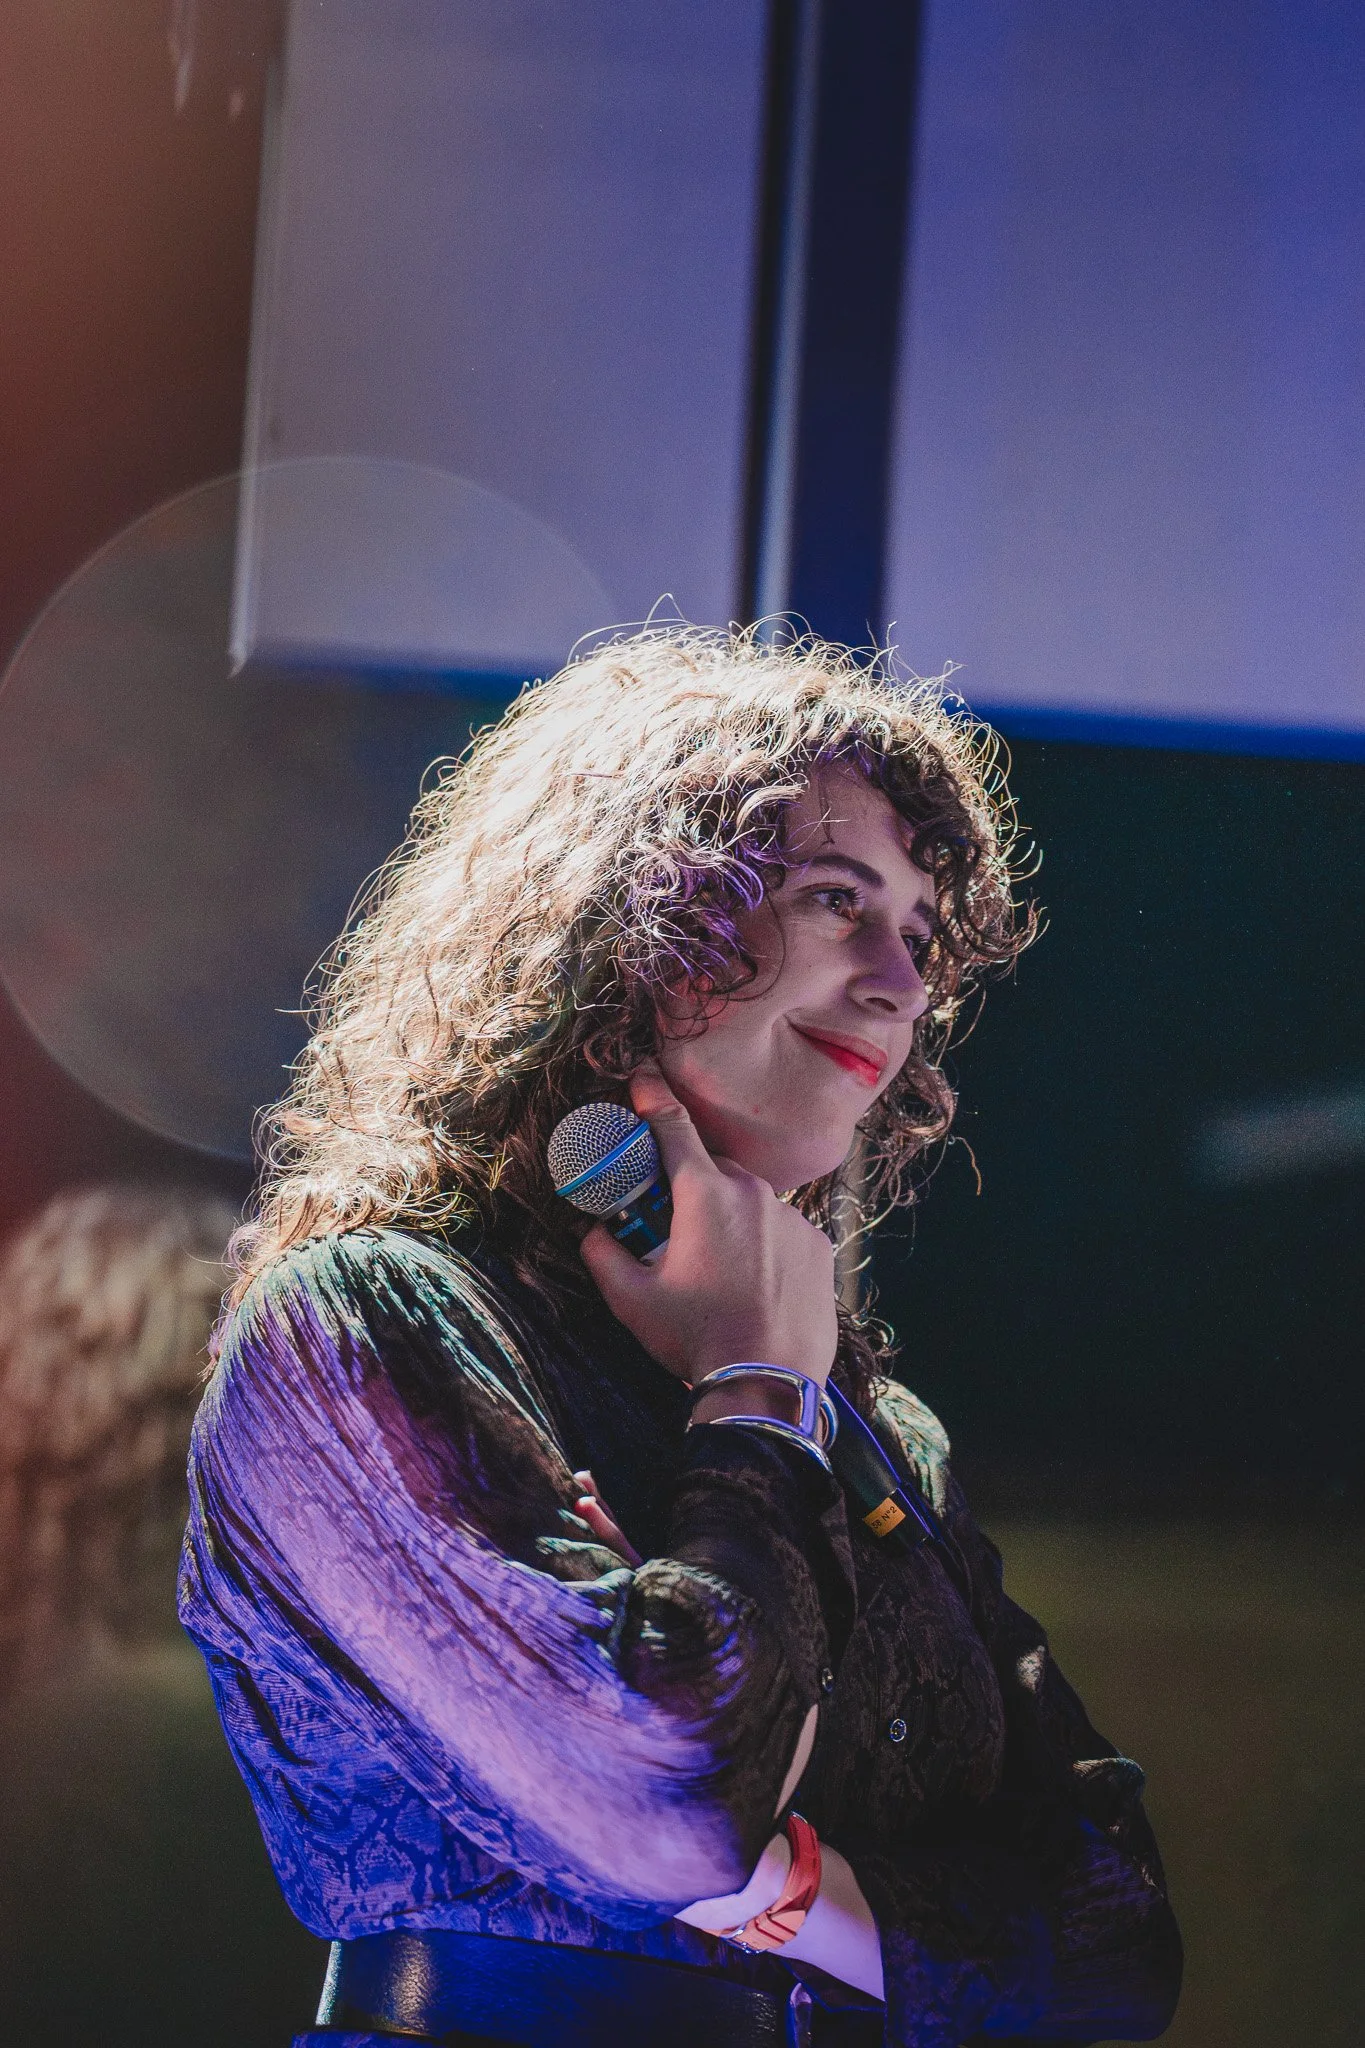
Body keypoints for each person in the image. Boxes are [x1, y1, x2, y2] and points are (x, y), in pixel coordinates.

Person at [180, 627, 1182, 2048]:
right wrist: (754, 1393)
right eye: (840, 900)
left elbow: (1120, 1950)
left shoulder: (883, 1437)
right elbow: (662, 1801)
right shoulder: (363, 1327)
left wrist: (795, 1894)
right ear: (646, 923)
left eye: (921, 936)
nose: (902, 985)